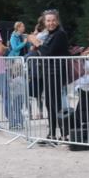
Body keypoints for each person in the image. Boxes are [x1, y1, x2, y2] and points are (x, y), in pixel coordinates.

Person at [27, 10, 68, 138]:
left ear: (57, 21)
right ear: (44, 22)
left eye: (53, 20)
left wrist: (36, 42)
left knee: (55, 103)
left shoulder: (59, 34)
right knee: (50, 103)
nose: (51, 23)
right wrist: (37, 45)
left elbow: (48, 52)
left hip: (56, 72)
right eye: (48, 21)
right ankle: (52, 133)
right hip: (48, 71)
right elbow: (43, 51)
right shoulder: (50, 34)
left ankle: (63, 133)